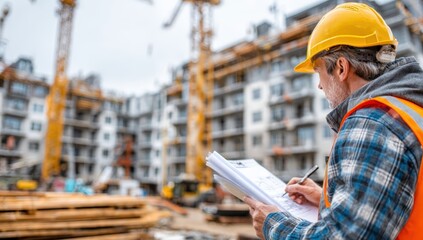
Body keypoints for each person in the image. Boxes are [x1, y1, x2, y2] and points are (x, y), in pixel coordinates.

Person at [243, 2, 423, 239]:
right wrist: (326, 200)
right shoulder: (407, 109)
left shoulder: (372, 122)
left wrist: (273, 224)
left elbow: (346, 237)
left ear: (341, 68)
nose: (319, 85)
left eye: (318, 72)